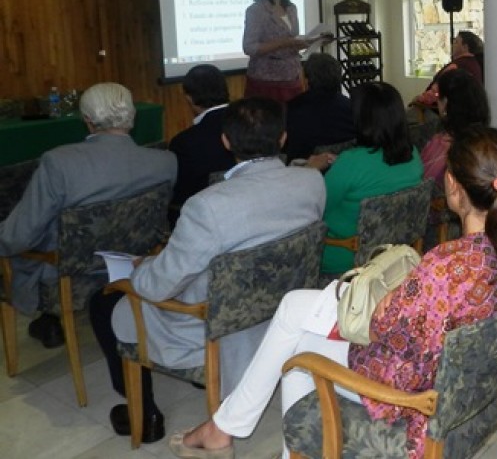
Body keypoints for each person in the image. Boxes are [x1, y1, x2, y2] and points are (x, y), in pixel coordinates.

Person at [168, 125, 497, 459]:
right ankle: (239, 434)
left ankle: (234, 432)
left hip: (412, 392)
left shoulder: (445, 265)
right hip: (461, 379)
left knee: (297, 350)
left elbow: (386, 331)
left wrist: (386, 301)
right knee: (298, 314)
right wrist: (406, 293)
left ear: (452, 184)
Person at [89, 97, 326, 444]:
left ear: (226, 141)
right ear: (283, 138)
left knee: (106, 302)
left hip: (208, 323)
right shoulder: (311, 182)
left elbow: (157, 287)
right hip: (274, 312)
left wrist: (139, 269)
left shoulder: (208, 206)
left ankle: (145, 411)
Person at [0, 82, 176, 349]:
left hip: (70, 274)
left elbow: (20, 234)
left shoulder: (59, 163)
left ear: (88, 120)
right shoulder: (165, 162)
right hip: (135, 262)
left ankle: (48, 319)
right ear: (132, 116)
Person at [307, 81, 423, 275]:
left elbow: (316, 208)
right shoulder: (413, 154)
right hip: (394, 252)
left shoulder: (350, 163)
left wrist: (309, 170)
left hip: (347, 256)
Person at [242, 0, 326, 103]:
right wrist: (284, 42)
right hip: (266, 79)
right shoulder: (256, 10)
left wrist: (315, 40)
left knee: (294, 120)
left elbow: (293, 42)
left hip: (292, 75)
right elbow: (249, 47)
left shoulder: (291, 8)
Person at [167, 64, 236, 225]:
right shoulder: (251, 125)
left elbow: (181, 196)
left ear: (189, 98)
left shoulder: (184, 143)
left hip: (203, 221)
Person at [420, 68, 491, 206]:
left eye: (438, 96)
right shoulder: (489, 142)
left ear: (446, 103)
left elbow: (422, 185)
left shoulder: (442, 145)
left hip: (439, 214)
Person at [282, 52, 355, 162]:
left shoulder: (292, 110)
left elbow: (286, 147)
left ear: (306, 80)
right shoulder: (354, 109)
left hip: (304, 170)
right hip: (348, 168)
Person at [410, 30, 484, 111]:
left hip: (442, 113)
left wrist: (420, 99)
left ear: (465, 47)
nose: (452, 45)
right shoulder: (475, 64)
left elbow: (436, 92)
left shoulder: (456, 66)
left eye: (456, 42)